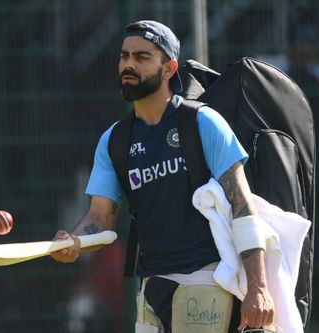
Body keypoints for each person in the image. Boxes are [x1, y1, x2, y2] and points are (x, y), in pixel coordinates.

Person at [51, 20, 274, 332]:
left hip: (205, 278)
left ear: (169, 68)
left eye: (142, 57)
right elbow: (100, 218)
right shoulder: (114, 140)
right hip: (151, 284)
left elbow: (243, 205)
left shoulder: (203, 122)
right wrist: (75, 241)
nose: (129, 64)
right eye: (124, 56)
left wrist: (258, 287)